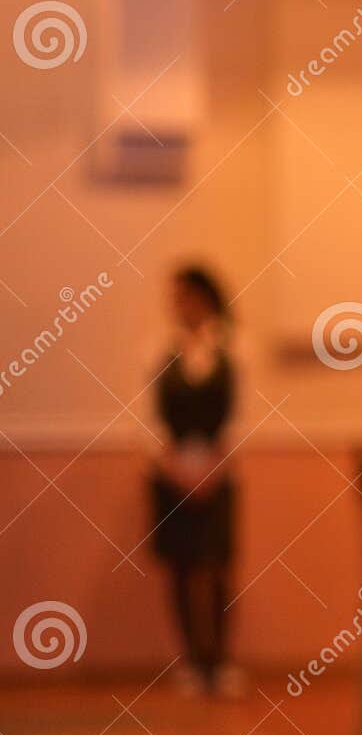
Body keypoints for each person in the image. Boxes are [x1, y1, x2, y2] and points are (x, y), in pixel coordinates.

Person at [149, 265, 240, 696]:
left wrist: (212, 470)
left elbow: (242, 416)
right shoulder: (158, 350)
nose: (181, 306)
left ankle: (218, 661)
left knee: (218, 566)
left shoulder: (232, 348)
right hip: (172, 473)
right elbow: (146, 419)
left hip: (219, 473)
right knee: (180, 568)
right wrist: (175, 467)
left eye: (187, 296)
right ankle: (189, 660)